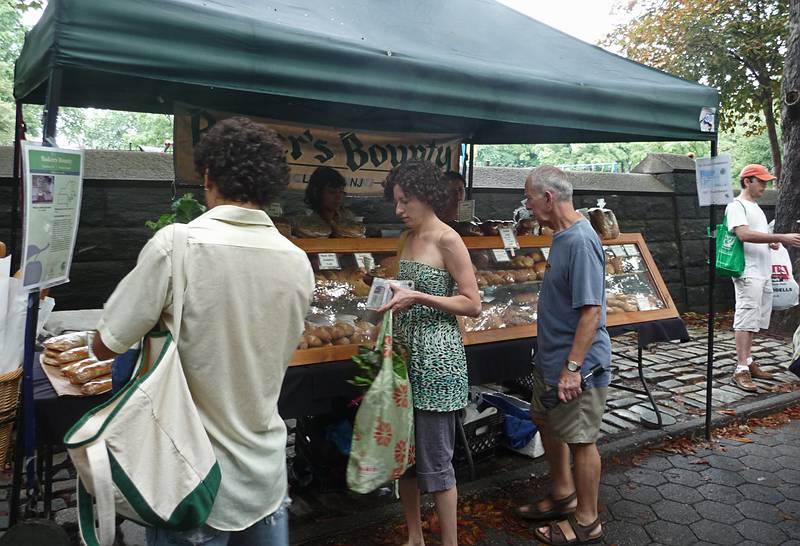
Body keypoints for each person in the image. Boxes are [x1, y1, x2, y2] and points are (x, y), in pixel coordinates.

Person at [90, 117, 315, 546]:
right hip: (265, 476)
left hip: (191, 479)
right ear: (270, 186)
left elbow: (106, 344)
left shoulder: (177, 244)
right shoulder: (296, 260)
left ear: (208, 176)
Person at [379, 160, 481, 546]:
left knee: (437, 462)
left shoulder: (447, 239)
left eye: (404, 201)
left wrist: (419, 295)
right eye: (396, 201)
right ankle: (414, 536)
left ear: (425, 196)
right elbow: (406, 290)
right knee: (405, 459)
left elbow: (473, 303)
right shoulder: (408, 238)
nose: (399, 209)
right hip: (405, 357)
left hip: (438, 361)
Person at [515, 166, 611, 545]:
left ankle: (587, 521)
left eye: (529, 198)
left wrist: (573, 368)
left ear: (548, 198)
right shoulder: (562, 235)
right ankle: (563, 494)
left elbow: (591, 311)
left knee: (581, 439)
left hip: (578, 365)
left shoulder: (581, 240)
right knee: (544, 417)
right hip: (552, 358)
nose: (526, 205)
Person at [725, 164, 800, 392]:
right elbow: (743, 234)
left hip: (762, 271)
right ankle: (740, 369)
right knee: (745, 319)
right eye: (762, 182)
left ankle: (748, 362)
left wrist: (771, 240)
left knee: (755, 320)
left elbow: (755, 234)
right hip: (748, 271)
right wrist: (780, 237)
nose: (764, 186)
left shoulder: (754, 207)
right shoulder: (736, 205)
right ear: (748, 181)